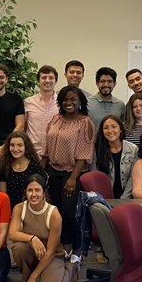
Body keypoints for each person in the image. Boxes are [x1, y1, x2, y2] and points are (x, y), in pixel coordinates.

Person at [42, 85, 95, 256]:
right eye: (65, 99)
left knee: (69, 212)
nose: (68, 102)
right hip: (52, 171)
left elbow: (83, 153)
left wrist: (73, 178)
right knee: (56, 211)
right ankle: (65, 246)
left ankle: (78, 250)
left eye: (73, 99)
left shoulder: (85, 122)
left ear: (80, 102)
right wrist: (41, 171)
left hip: (71, 173)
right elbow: (46, 146)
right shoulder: (56, 119)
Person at [9, 174, 78, 282]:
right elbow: (12, 233)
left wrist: (33, 277)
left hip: (51, 256)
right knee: (18, 248)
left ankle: (72, 269)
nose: (33, 194)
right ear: (25, 192)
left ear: (44, 192)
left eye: (37, 190)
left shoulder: (54, 214)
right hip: (33, 251)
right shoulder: (19, 208)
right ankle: (28, 278)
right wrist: (33, 238)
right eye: (30, 190)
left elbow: (51, 251)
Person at [0, 131, 46, 209]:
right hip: (11, 208)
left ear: (26, 147)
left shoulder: (35, 166)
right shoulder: (5, 166)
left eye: (20, 145)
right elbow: (4, 195)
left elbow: (40, 193)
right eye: (12, 145)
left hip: (31, 208)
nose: (15, 149)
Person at [94, 115, 138, 199]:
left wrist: (124, 199)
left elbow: (133, 177)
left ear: (120, 129)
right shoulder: (97, 150)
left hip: (128, 196)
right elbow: (96, 178)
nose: (110, 131)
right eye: (106, 128)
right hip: (104, 197)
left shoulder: (133, 149)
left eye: (114, 127)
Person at [23, 65, 58, 156]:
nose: (47, 81)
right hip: (32, 152)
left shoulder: (61, 103)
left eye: (51, 78)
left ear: (55, 81)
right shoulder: (28, 102)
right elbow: (24, 127)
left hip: (54, 154)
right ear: (38, 81)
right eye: (44, 78)